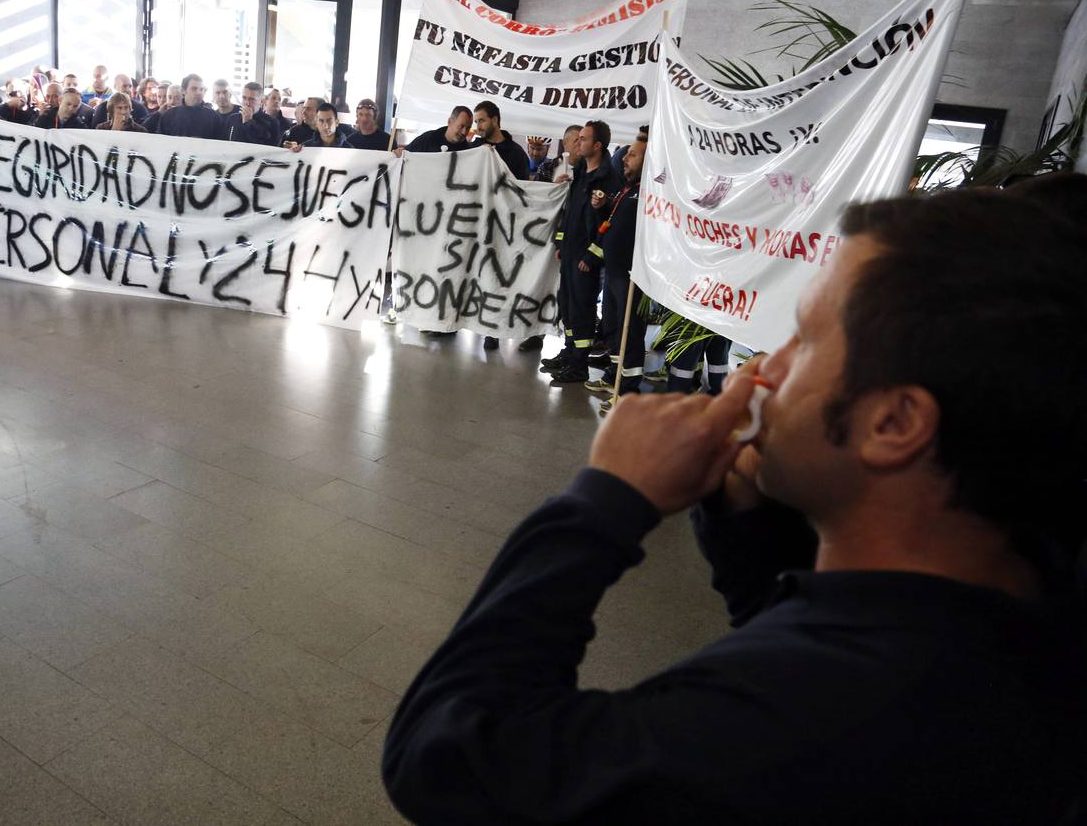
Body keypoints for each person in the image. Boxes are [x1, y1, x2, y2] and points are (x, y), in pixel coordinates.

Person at [383, 184, 1087, 825]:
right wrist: (747, 523)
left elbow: (450, 750)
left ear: (894, 425)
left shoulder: (820, 713)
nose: (762, 368)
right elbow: (816, 644)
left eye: (805, 339)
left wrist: (603, 502)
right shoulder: (1010, 618)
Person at [541, 120, 622, 384]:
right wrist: (561, 243)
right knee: (567, 306)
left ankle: (579, 365)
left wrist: (592, 256)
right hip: (570, 253)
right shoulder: (581, 174)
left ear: (597, 145)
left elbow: (609, 223)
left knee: (582, 310)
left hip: (586, 258)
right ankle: (568, 353)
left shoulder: (608, 178)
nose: (579, 143)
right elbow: (571, 215)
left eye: (584, 139)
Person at [589, 129, 649, 404]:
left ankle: (628, 392)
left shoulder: (650, 194)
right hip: (613, 273)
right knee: (613, 327)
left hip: (631, 275)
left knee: (631, 333)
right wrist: (604, 206)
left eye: (632, 155)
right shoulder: (628, 189)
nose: (624, 158)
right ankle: (615, 377)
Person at [470, 100, 530, 179]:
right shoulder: (473, 148)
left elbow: (522, 187)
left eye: (481, 121)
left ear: (495, 120)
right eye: (476, 122)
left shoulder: (517, 153)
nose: (478, 127)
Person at [158, 74, 225, 140]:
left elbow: (221, 147)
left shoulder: (214, 118)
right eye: (194, 89)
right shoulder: (168, 116)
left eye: (201, 89)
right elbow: (161, 144)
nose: (199, 93)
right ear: (183, 91)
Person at [404, 106, 473, 154]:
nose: (464, 132)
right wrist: (398, 155)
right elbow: (404, 156)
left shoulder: (468, 152)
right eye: (461, 126)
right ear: (450, 122)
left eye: (468, 128)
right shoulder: (427, 139)